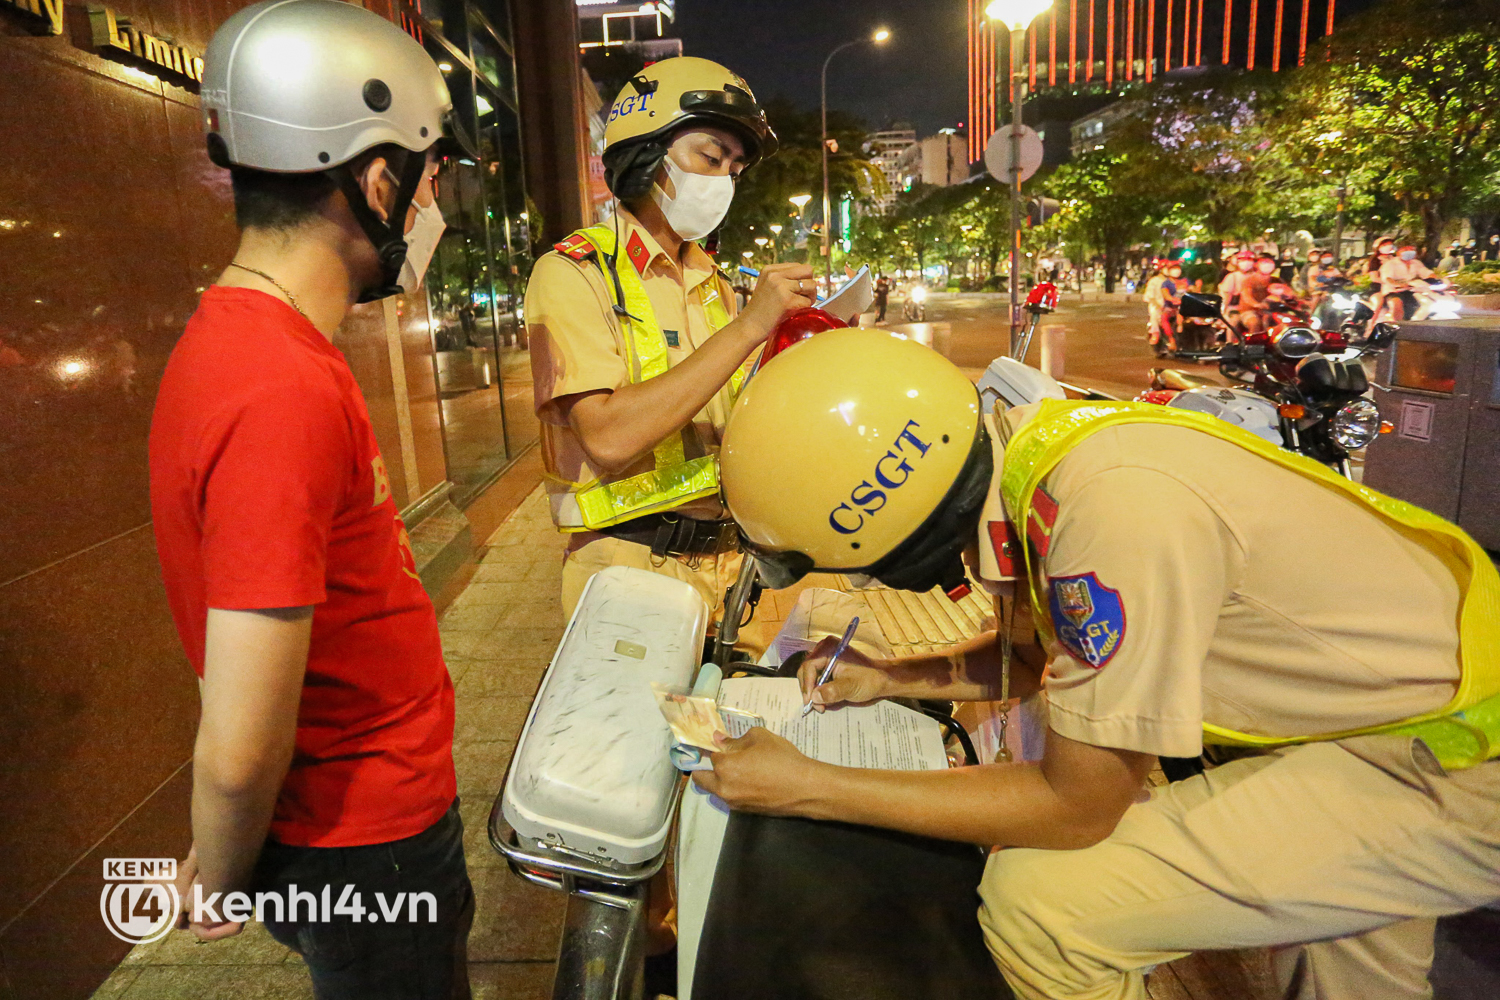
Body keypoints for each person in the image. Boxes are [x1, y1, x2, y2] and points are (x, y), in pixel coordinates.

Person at [702, 331, 1500, 1000]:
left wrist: (809, 783)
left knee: (1043, 908)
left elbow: (1078, 810)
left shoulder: (1112, 511)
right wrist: (893, 677)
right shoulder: (1033, 458)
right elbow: (1037, 659)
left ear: (896, 535)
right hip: (1381, 721)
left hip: (1446, 756)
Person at [149, 2, 472, 996]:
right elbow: (243, 747)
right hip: (364, 839)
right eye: (428, 181)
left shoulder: (254, 343)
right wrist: (226, 865)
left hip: (358, 826)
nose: (430, 212)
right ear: (378, 179)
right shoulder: (276, 383)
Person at [523, 57, 812, 618]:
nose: (723, 179)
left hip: (730, 566)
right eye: (710, 156)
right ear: (648, 152)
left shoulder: (715, 283)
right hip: (629, 567)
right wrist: (751, 327)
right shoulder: (575, 272)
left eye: (734, 167)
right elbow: (606, 436)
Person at [1377, 245, 1436, 321]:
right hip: (1394, 291)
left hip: (1412, 290)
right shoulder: (1390, 264)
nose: (1409, 251)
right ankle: (1398, 325)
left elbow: (1426, 272)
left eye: (1411, 249)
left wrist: (1436, 278)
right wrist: (1398, 284)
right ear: (1398, 252)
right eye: (1405, 249)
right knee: (1397, 303)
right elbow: (1387, 278)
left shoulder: (1416, 263)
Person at [1235, 252, 1280, 335]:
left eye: (1269, 262)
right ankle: (1253, 346)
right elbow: (1246, 296)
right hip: (1250, 311)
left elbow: (1288, 293)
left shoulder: (1277, 280)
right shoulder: (1249, 281)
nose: (1267, 265)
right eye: (1264, 262)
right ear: (1257, 265)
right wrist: (1257, 304)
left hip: (1272, 311)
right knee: (1254, 323)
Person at [1216, 250, 1255, 341]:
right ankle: (1230, 344)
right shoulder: (1232, 277)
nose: (1246, 263)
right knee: (1233, 322)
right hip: (1235, 309)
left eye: (1249, 259)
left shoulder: (1256, 276)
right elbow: (1226, 297)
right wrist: (1222, 313)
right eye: (1242, 260)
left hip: (1254, 309)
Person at [1145, 261, 1181, 357]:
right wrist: (1159, 305)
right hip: (1157, 305)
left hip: (1173, 305)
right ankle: (1155, 333)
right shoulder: (1154, 281)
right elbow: (1150, 296)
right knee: (1155, 315)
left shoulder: (1174, 281)